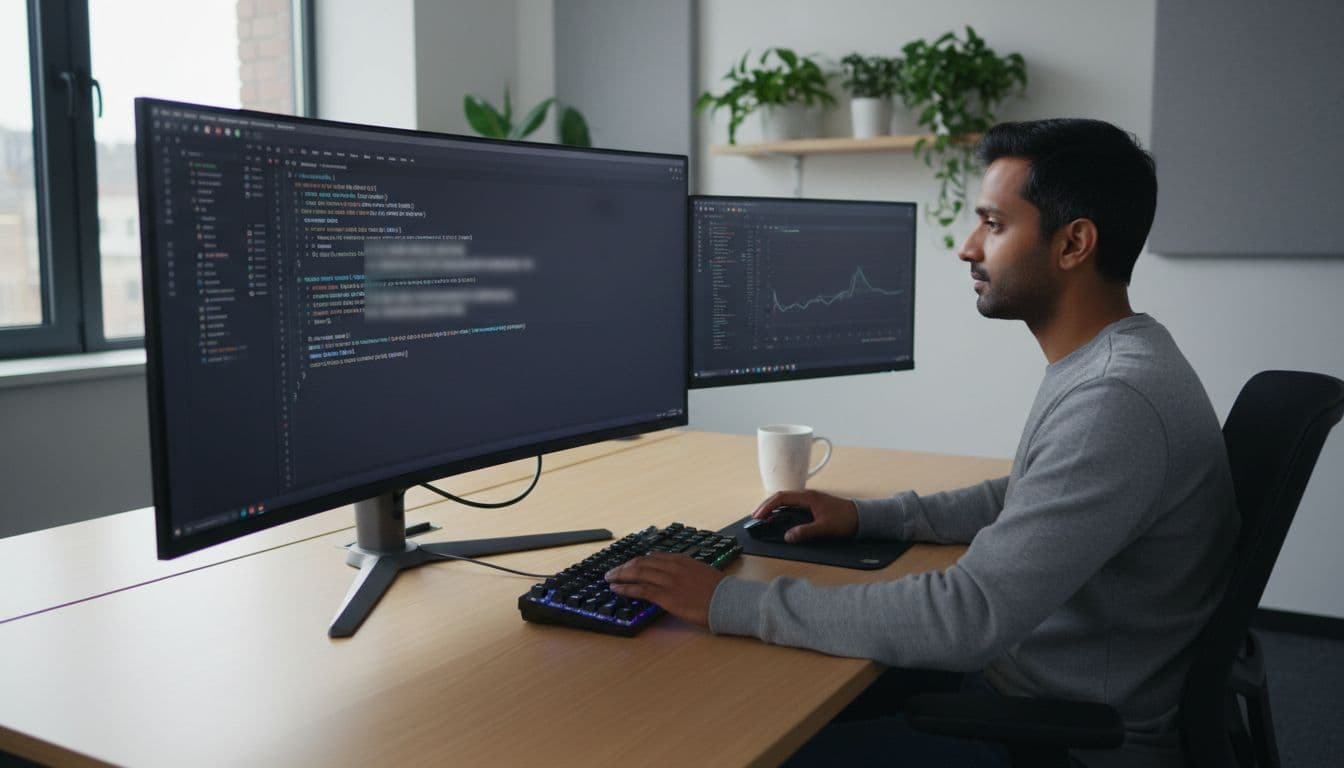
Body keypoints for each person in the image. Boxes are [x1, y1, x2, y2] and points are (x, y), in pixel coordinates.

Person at [605, 118, 1239, 767]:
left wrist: (725, 600)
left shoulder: (1114, 399)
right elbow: (1031, 491)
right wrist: (872, 516)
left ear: (1073, 243)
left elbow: (966, 619)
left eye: (993, 225)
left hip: (1057, 739)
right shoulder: (1119, 361)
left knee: (733, 737)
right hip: (1032, 688)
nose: (968, 248)